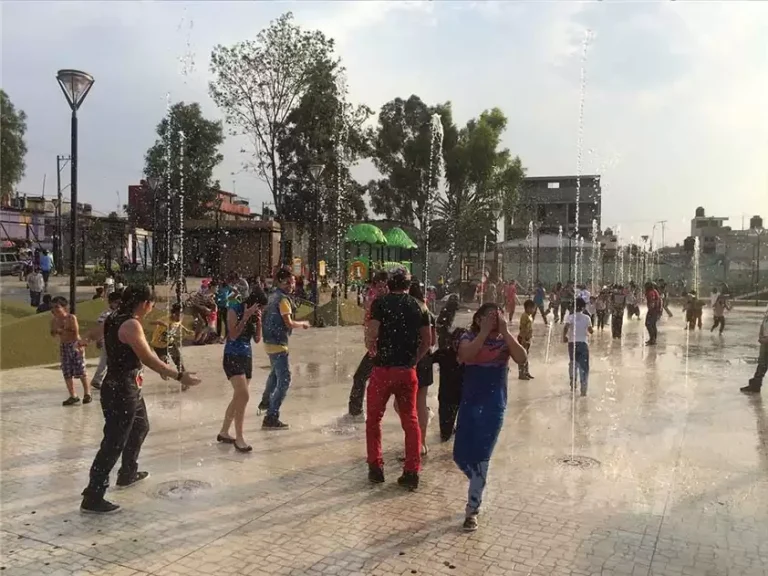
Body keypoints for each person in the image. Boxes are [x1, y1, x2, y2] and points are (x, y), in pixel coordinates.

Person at [80, 284, 200, 514]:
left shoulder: (116, 317)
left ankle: (127, 473)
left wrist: (83, 339)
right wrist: (180, 376)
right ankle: (93, 494)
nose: (152, 307)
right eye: (151, 303)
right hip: (122, 390)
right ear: (145, 303)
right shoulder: (131, 324)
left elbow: (98, 331)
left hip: (124, 387)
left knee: (140, 427)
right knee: (114, 442)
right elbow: (147, 358)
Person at [454, 303, 527, 531]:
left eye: (498, 316)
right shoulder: (467, 336)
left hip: (494, 405)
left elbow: (522, 358)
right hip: (469, 403)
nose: (494, 320)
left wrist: (504, 332)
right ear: (477, 319)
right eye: (488, 317)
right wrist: (484, 333)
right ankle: (478, 481)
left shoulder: (505, 339)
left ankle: (472, 509)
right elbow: (465, 355)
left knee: (482, 457)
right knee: (460, 455)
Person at [365, 268, 431, 490]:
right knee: (410, 420)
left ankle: (376, 467)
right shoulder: (419, 306)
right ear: (407, 285)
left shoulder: (380, 304)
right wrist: (414, 359)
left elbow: (371, 334)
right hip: (407, 371)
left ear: (389, 284)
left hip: (382, 371)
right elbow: (427, 341)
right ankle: (412, 471)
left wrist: (373, 352)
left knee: (374, 419)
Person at [219, 286, 268, 451]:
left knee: (238, 397)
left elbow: (257, 339)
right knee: (244, 396)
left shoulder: (255, 316)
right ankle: (239, 438)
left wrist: (259, 322)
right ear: (253, 303)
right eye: (259, 307)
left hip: (247, 357)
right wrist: (245, 316)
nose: (260, 310)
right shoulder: (235, 309)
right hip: (232, 356)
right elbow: (232, 335)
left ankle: (224, 432)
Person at [259, 268, 309, 429]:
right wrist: (302, 324)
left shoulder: (272, 296)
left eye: (292, 282)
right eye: (287, 282)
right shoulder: (283, 300)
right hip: (278, 343)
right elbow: (288, 323)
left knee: (274, 374)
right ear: (279, 282)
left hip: (269, 341)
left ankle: (266, 401)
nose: (290, 285)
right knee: (285, 379)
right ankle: (271, 417)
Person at [344, 271, 388, 423]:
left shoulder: (383, 304)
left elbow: (375, 328)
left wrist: (372, 344)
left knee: (361, 377)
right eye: (378, 286)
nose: (381, 289)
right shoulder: (376, 302)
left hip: (380, 349)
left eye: (384, 286)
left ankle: (355, 413)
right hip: (378, 348)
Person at [409, 281, 436, 456]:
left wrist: (415, 359)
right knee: (420, 403)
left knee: (403, 404)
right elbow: (433, 341)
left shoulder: (408, 310)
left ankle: (418, 442)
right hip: (425, 360)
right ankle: (421, 442)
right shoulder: (428, 312)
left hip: (412, 360)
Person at [50, 296, 92, 406]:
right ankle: (73, 395)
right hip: (64, 346)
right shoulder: (54, 320)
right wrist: (56, 331)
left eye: (57, 307)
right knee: (66, 371)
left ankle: (87, 393)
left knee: (81, 370)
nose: (54, 309)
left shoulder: (71, 318)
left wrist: (61, 330)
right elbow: (52, 333)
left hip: (75, 344)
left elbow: (74, 331)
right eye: (53, 307)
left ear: (64, 307)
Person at [434, 294, 464, 442]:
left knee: (446, 430)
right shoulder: (464, 355)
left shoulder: (444, 354)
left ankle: (448, 430)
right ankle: (450, 430)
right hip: (456, 394)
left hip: (447, 394)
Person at [90, 291, 123, 391]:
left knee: (113, 361)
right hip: (108, 341)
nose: (118, 305)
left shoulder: (118, 314)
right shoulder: (106, 314)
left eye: (120, 303)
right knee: (104, 361)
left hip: (116, 341)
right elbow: (101, 328)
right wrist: (99, 340)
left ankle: (111, 380)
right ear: (111, 303)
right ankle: (97, 379)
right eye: (116, 302)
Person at [149, 303, 191, 380]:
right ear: (173, 314)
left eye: (181, 315)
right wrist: (162, 323)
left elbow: (179, 324)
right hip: (158, 345)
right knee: (164, 363)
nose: (179, 317)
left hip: (170, 343)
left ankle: (184, 379)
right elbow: (151, 322)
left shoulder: (179, 318)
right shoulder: (165, 319)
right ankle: (163, 372)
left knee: (178, 361)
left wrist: (186, 330)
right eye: (177, 315)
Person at [563, 297, 593, 396]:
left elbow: (566, 327)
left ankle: (573, 383)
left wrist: (564, 337)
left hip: (572, 344)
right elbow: (590, 330)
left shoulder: (570, 317)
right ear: (584, 307)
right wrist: (591, 332)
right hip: (583, 344)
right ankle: (583, 390)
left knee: (573, 363)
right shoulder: (587, 318)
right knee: (584, 367)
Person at [740, 306, 768, 394]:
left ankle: (755, 385)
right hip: (764, 342)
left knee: (762, 364)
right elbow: (763, 323)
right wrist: (761, 336)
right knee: (762, 364)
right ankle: (756, 385)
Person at [518, 300, 535, 380]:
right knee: (522, 357)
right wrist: (523, 339)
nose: (533, 310)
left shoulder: (529, 316)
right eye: (532, 308)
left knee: (526, 356)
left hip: (527, 339)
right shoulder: (524, 316)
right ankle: (521, 374)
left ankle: (526, 372)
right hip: (523, 338)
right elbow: (523, 328)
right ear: (527, 308)